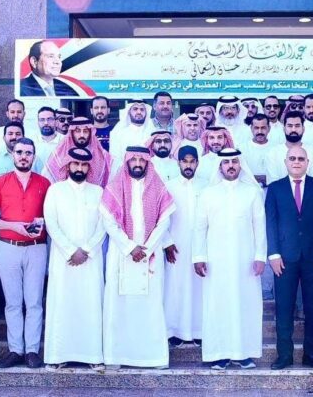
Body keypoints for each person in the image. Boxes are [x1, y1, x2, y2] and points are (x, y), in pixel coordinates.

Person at [100, 146, 175, 369]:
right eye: (133, 160)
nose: (138, 164)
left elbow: (165, 221)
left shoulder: (158, 187)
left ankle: (152, 357)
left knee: (150, 305)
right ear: (127, 162)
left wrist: (147, 249)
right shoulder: (114, 187)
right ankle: (117, 356)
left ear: (147, 163)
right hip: (121, 255)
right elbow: (108, 222)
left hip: (150, 255)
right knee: (119, 305)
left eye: (142, 160)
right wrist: (130, 247)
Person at [193, 148, 266, 370]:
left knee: (246, 304)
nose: (231, 166)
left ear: (240, 164)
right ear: (220, 166)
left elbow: (259, 227)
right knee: (217, 305)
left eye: (234, 161)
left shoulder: (252, 192)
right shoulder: (208, 193)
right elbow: (199, 228)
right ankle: (219, 354)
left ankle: (243, 354)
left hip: (246, 260)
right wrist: (198, 256)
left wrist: (260, 256)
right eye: (226, 163)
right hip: (216, 261)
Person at [265, 146, 313, 371]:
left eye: (301, 158)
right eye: (292, 158)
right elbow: (270, 222)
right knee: (284, 308)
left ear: (307, 162)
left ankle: (312, 355)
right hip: (284, 258)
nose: (296, 162)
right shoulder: (275, 188)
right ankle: (284, 355)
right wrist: (273, 254)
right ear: (286, 162)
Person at [0, 138, 51, 369]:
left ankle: (32, 351)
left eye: (28, 153)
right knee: (13, 303)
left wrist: (41, 226)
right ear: (12, 154)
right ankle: (15, 350)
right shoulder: (0, 182)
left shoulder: (44, 183)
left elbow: (51, 216)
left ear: (34, 156)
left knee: (34, 302)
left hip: (36, 248)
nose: (24, 156)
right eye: (20, 152)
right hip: (8, 247)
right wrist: (14, 226)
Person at [43, 147, 106, 369]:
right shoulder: (55, 191)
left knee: (90, 305)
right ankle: (58, 356)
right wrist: (71, 250)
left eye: (83, 165)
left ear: (89, 167)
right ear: (68, 166)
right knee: (62, 304)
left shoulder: (98, 192)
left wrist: (86, 250)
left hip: (91, 260)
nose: (79, 168)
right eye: (75, 164)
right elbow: (51, 224)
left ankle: (93, 357)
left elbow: (103, 225)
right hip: (63, 260)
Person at [163, 146, 206, 348]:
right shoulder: (168, 187)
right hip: (176, 246)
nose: (188, 165)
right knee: (175, 287)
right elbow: (161, 218)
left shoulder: (206, 186)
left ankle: (199, 330)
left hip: (201, 246)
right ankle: (175, 331)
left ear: (197, 163)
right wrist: (167, 242)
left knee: (200, 288)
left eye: (192, 161)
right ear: (178, 163)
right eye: (184, 161)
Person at [43, 117, 113, 187]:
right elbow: (47, 178)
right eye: (78, 131)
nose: (82, 135)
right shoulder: (60, 153)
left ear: (90, 133)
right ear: (72, 132)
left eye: (85, 131)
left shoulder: (101, 155)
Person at [266, 111, 313, 184]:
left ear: (303, 129)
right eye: (290, 126)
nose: (293, 130)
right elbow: (273, 184)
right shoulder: (273, 153)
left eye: (297, 126)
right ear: (284, 129)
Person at [0, 122, 31, 189]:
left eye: (18, 134)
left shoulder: (34, 159)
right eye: (10, 134)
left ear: (24, 137)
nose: (14, 137)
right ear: (4, 138)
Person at [241, 113, 272, 187]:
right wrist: (267, 178)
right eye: (256, 128)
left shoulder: (277, 148)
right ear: (251, 128)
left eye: (263, 128)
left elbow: (280, 175)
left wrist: (253, 177)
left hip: (272, 191)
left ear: (269, 128)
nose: (260, 132)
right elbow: (241, 175)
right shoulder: (242, 149)